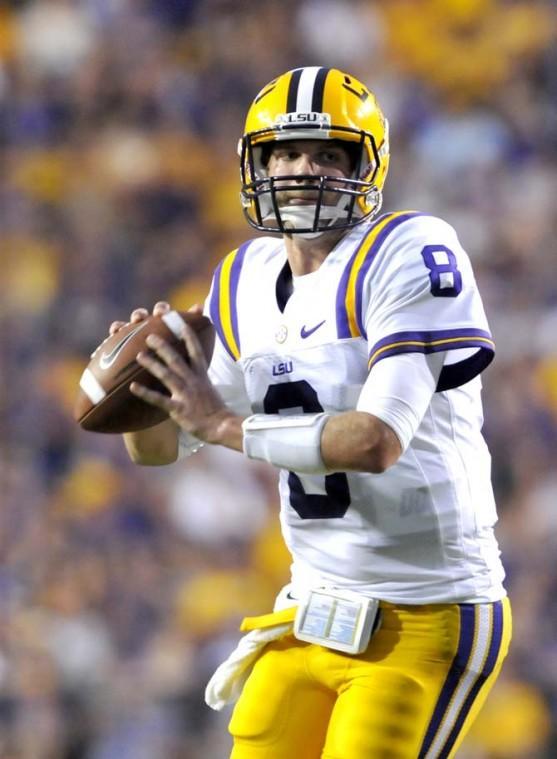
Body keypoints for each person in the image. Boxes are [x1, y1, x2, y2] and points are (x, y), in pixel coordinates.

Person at [112, 66, 511, 758]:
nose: (303, 169)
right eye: (286, 153)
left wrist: (224, 425)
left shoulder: (408, 250)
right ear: (257, 165)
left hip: (425, 614)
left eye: (328, 153)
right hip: (307, 610)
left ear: (366, 166)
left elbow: (375, 440)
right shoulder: (241, 277)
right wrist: (143, 388)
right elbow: (157, 450)